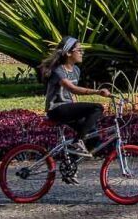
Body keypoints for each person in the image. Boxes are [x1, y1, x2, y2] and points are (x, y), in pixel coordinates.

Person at [41, 36, 111, 172]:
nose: (82, 53)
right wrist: (97, 92)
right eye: (79, 50)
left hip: (68, 109)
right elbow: (73, 89)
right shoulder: (58, 70)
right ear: (68, 53)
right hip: (57, 110)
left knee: (93, 137)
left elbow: (71, 95)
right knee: (97, 107)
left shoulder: (76, 71)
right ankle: (77, 142)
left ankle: (69, 167)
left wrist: (79, 110)